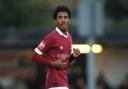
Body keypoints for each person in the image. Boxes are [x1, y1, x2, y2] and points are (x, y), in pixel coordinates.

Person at [32, 5, 80, 89]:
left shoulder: (69, 37)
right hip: (54, 84)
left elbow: (64, 63)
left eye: (65, 17)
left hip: (64, 83)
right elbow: (34, 56)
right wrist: (52, 63)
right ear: (55, 21)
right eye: (60, 18)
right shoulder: (50, 37)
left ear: (69, 20)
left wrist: (73, 56)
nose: (63, 20)